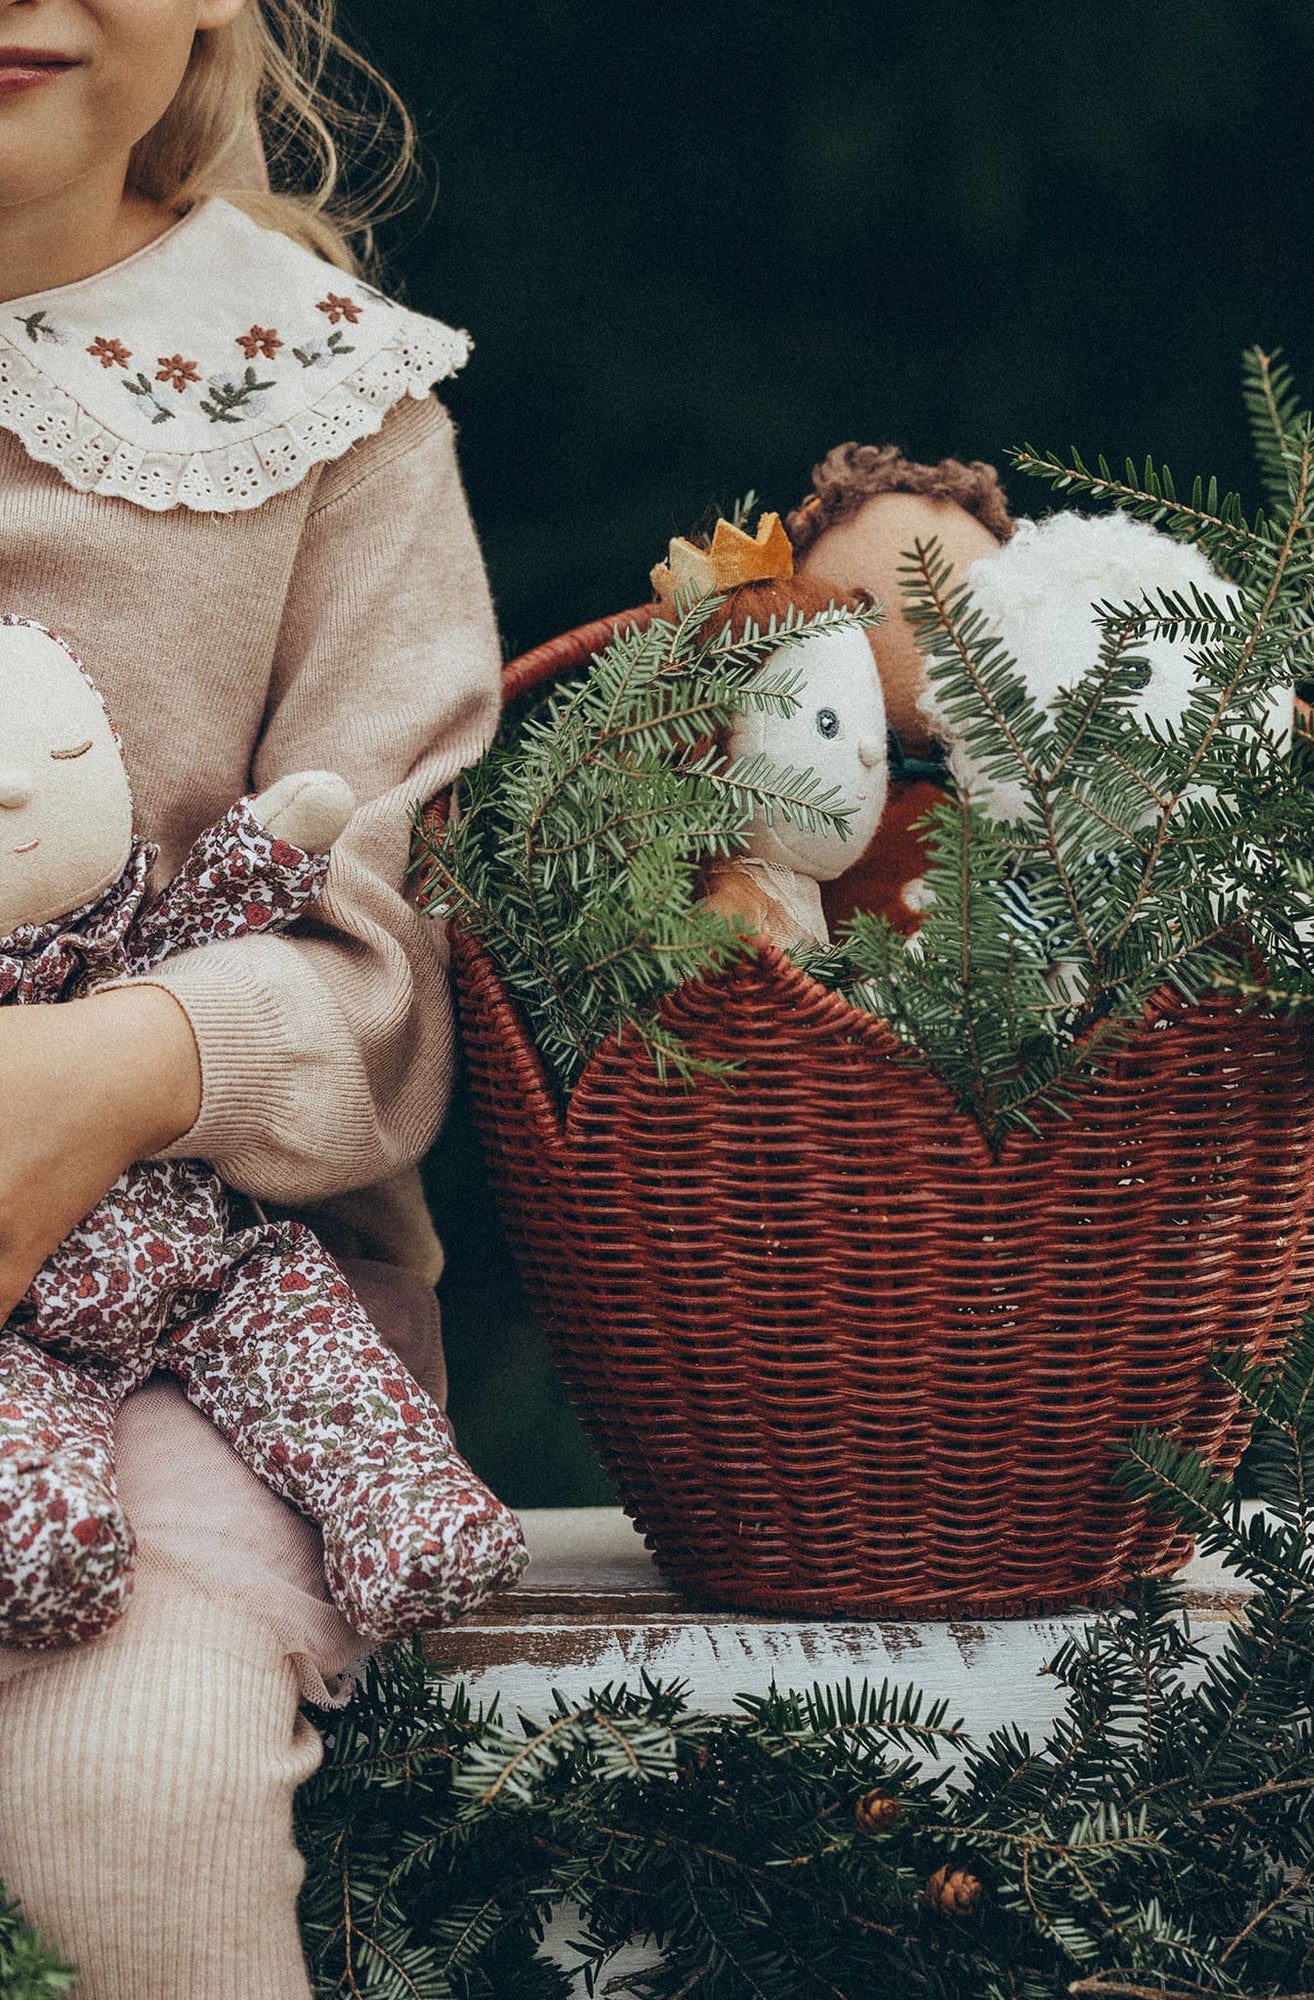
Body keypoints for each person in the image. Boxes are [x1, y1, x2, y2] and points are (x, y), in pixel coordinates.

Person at [0, 3, 502, 1992]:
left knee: (128, 1767)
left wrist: (114, 1070)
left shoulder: (319, 409)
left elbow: (377, 966)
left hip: (199, 1341)